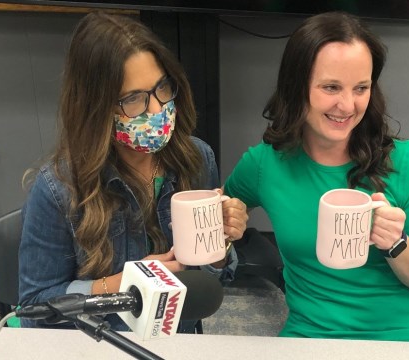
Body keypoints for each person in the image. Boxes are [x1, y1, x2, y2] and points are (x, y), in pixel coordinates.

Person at [18, 12, 248, 333]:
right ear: (96, 107)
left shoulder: (196, 159)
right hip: (101, 344)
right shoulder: (58, 188)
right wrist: (123, 284)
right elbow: (34, 310)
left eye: (162, 88)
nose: (156, 110)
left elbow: (208, 282)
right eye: (134, 99)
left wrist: (219, 246)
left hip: (177, 340)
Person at [224, 11, 409, 341]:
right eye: (331, 87)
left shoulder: (405, 161)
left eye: (361, 88)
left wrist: (395, 244)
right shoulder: (264, 164)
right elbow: (221, 219)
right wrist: (228, 223)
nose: (347, 105)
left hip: (400, 338)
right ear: (296, 87)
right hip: (309, 337)